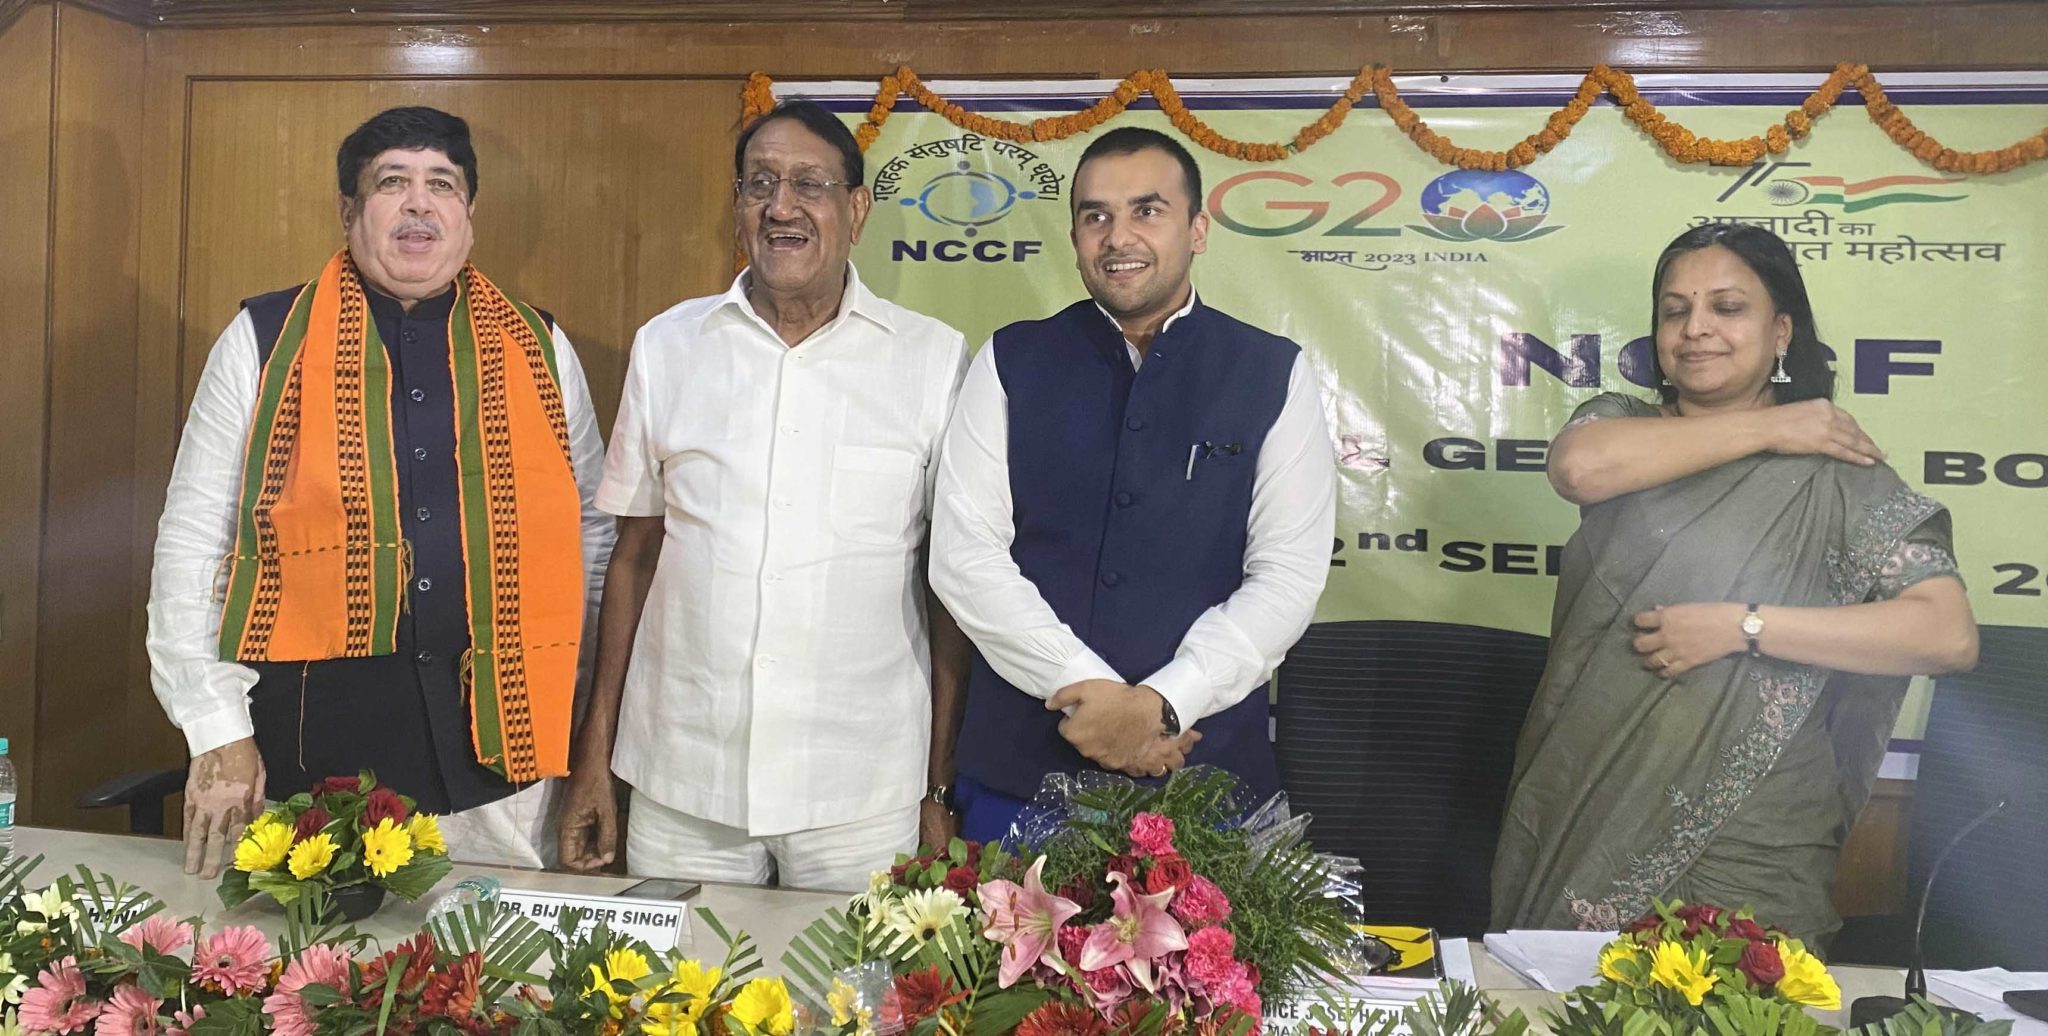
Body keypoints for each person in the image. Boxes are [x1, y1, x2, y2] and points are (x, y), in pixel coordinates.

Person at [148, 106, 613, 876]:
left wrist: (585, 738)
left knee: (494, 954)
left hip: (507, 771)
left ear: (470, 212)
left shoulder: (541, 347)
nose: (419, 204)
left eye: (442, 185)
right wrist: (215, 728)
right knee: (310, 954)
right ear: (349, 210)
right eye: (392, 183)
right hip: (312, 765)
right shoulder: (263, 341)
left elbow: (591, 545)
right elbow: (195, 543)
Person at [1490, 223, 1979, 945]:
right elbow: (1578, 469)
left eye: (1727, 307)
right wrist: (1772, 428)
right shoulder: (1622, 425)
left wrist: (1743, 627)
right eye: (1675, 310)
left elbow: (1946, 633)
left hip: (1752, 833)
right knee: (1563, 997)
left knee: (1746, 998)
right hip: (1589, 803)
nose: (1696, 329)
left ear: (1781, 331)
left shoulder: (1837, 476)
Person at [557, 101, 971, 891]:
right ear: (738, 207)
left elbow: (948, 589)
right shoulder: (668, 346)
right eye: (760, 184)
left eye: (809, 184)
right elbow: (633, 559)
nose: (781, 207)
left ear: (857, 209)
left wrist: (939, 785)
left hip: (861, 792)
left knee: (855, 977)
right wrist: (595, 759)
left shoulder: (932, 359)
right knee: (680, 974)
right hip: (682, 781)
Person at [930, 126, 1337, 844]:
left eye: (1147, 210)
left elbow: (1288, 576)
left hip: (1205, 781)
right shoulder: (1011, 360)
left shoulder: (1270, 371)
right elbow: (966, 558)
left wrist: (1163, 705)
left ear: (1198, 229)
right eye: (1096, 216)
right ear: (1075, 237)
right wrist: (1093, 699)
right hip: (1021, 778)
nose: (1118, 237)